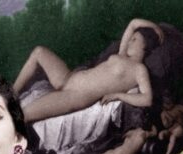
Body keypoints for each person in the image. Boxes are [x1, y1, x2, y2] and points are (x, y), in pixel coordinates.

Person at [13, 22, 162, 124]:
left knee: (23, 115)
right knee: (39, 52)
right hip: (69, 78)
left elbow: (147, 99)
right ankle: (11, 94)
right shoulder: (122, 54)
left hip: (74, 96)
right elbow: (133, 23)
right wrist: (155, 27)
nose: (129, 41)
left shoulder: (139, 69)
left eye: (134, 39)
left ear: (145, 45)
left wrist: (118, 95)